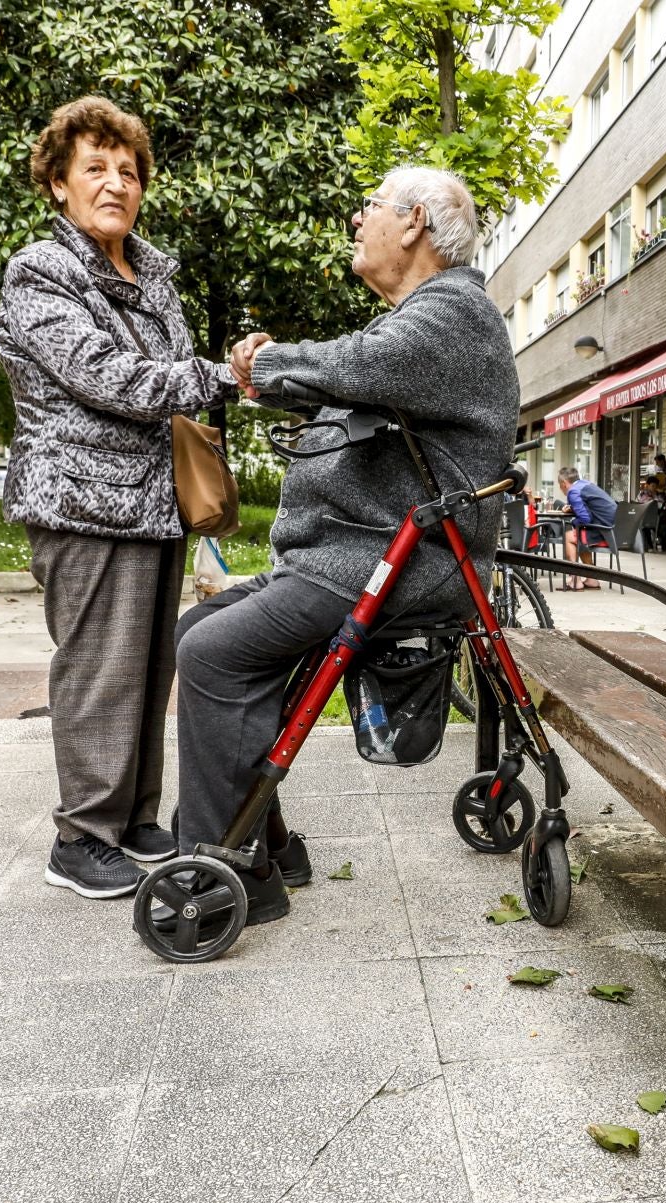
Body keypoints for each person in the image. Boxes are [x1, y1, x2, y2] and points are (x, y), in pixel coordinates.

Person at [170, 165, 518, 925]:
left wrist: (262, 363)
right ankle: (262, 842)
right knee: (199, 630)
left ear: (415, 221)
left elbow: (353, 369)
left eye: (369, 209)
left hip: (396, 565)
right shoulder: (422, 314)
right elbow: (352, 377)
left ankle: (216, 873)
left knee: (212, 653)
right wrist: (275, 374)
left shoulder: (453, 313)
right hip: (355, 556)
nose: (357, 222)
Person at [0, 96, 240, 900]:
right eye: (94, 168)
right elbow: (109, 377)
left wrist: (210, 378)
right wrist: (227, 376)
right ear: (59, 184)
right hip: (82, 503)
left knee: (148, 666)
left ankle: (134, 817)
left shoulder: (152, 271)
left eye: (128, 171)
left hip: (156, 501)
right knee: (99, 669)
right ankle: (82, 836)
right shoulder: (41, 271)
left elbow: (172, 384)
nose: (114, 183)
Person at [555, 466, 617, 590]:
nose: (560, 488)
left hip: (604, 530)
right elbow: (590, 509)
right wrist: (574, 508)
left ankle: (575, 580)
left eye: (559, 485)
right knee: (579, 535)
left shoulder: (573, 492)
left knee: (569, 536)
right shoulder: (586, 484)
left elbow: (585, 519)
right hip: (614, 527)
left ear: (564, 483)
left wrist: (573, 521)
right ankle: (592, 579)